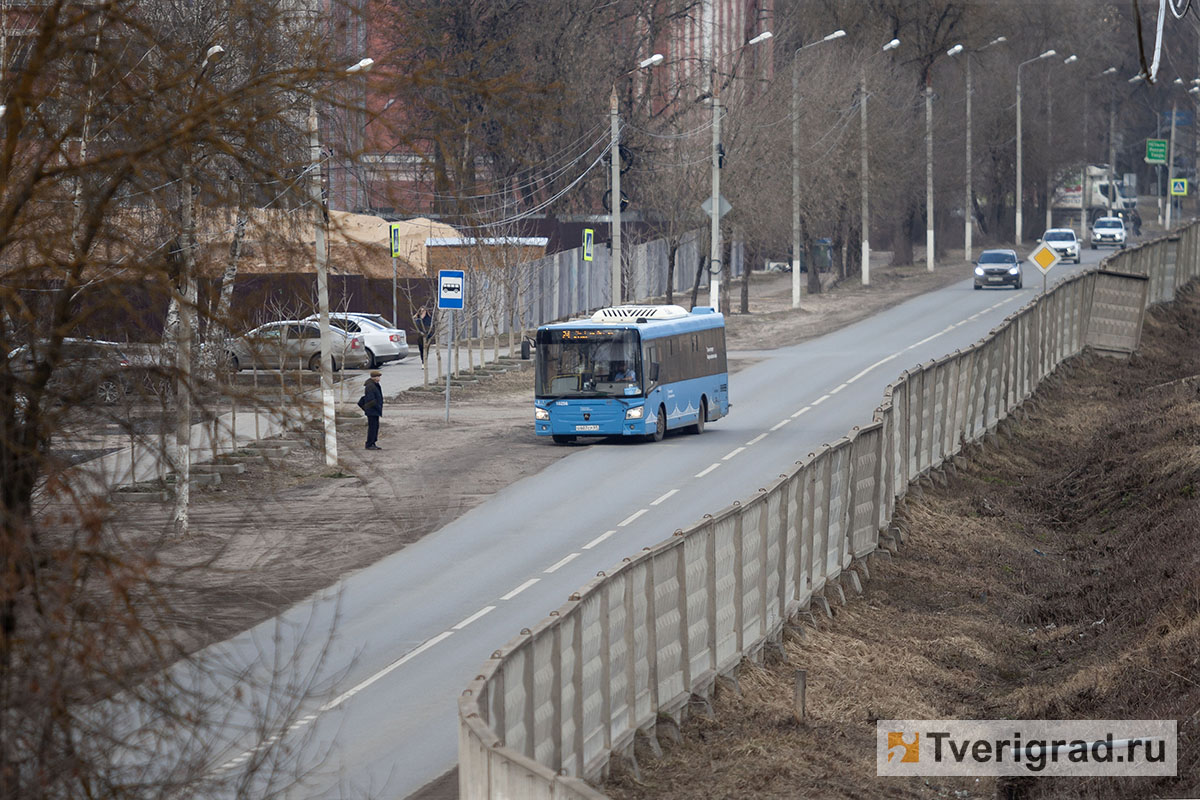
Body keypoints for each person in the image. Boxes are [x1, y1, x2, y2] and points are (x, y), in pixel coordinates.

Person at [358, 370, 384, 450]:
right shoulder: (370, 386)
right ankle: (369, 444)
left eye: (379, 377)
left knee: (375, 427)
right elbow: (371, 400)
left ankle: (373, 442)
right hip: (372, 410)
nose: (379, 378)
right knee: (372, 427)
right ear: (373, 377)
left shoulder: (374, 384)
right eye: (377, 377)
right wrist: (377, 406)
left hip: (374, 410)